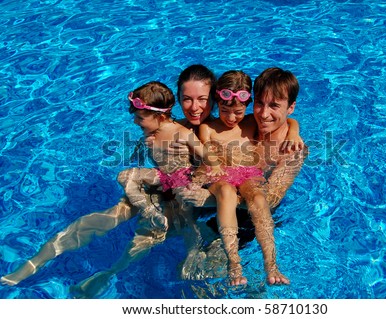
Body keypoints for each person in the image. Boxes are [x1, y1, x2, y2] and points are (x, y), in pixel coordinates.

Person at [0, 64, 218, 289]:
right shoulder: (165, 128)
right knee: (106, 216)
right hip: (160, 185)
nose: (194, 107)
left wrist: (197, 182)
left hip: (185, 195)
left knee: (149, 234)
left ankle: (110, 273)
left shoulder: (205, 133)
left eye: (202, 99)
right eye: (187, 99)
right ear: (177, 99)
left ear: (214, 98)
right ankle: (35, 262)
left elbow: (215, 166)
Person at [177, 67, 308, 285]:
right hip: (221, 195)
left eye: (274, 106)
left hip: (251, 217)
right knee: (187, 268)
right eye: (260, 104)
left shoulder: (293, 149)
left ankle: (267, 271)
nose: (264, 113)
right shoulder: (251, 123)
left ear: (291, 107)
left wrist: (209, 199)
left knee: (203, 278)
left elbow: (272, 198)